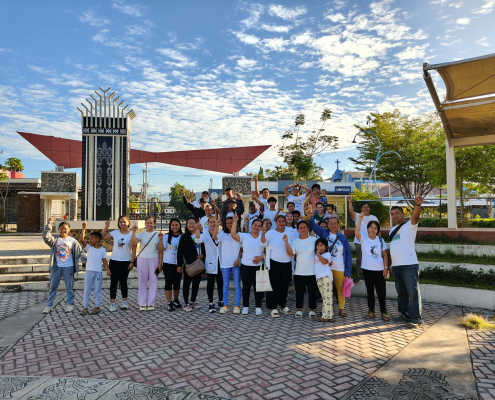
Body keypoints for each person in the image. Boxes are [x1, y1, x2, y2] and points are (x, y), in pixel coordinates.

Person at [308, 208, 352, 317]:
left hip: (339, 267)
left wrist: (348, 270)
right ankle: (327, 309)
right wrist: (309, 215)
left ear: (338, 225)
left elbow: (348, 254)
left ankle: (341, 308)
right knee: (326, 288)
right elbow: (313, 225)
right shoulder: (324, 233)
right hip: (326, 266)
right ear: (327, 225)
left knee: (340, 288)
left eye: (334, 223)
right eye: (330, 223)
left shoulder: (343, 238)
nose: (332, 225)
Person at [390, 191, 424, 329]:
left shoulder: (410, 225)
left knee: (413, 292)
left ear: (403, 214)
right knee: (401, 293)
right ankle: (404, 314)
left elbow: (415, 216)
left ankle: (416, 318)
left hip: (409, 264)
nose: (394, 216)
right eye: (392, 214)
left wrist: (417, 205)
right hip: (396, 265)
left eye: (397, 213)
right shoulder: (392, 230)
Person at [42, 217, 84, 314]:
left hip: (68, 267)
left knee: (69, 287)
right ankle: (49, 305)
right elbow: (46, 236)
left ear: (69, 229)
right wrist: (49, 224)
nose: (63, 230)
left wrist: (85, 260)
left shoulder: (73, 241)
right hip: (56, 267)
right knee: (53, 287)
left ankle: (70, 305)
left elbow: (80, 252)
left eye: (65, 228)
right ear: (58, 229)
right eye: (61, 228)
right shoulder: (55, 241)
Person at [355, 214, 389, 321]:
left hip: (379, 270)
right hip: (367, 270)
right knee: (370, 291)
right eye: (371, 227)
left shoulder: (380, 240)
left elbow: (385, 254)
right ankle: (371, 311)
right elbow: (356, 233)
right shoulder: (363, 238)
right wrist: (360, 220)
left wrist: (386, 267)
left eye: (375, 228)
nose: (373, 230)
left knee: (381, 292)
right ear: (368, 229)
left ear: (378, 230)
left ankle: (384, 312)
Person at [231, 214, 265, 315]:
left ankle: (258, 306)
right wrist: (235, 221)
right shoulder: (244, 236)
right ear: (251, 226)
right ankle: (245, 306)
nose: (256, 227)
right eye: (255, 225)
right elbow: (233, 234)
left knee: (258, 288)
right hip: (246, 266)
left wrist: (261, 257)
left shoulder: (263, 237)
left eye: (259, 226)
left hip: (258, 266)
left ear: (261, 228)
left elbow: (268, 251)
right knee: (246, 287)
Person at [261, 214, 294, 318]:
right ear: (275, 222)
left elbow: (292, 250)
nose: (281, 223)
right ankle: (273, 307)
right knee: (274, 285)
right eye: (279, 221)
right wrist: (263, 233)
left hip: (286, 263)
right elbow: (263, 244)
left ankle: (283, 305)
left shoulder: (290, 234)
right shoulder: (270, 233)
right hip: (274, 262)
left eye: (283, 221)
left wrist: (286, 242)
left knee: (284, 285)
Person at [101, 216, 135, 312]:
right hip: (114, 261)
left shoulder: (132, 234)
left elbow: (133, 249)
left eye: (124, 222)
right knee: (113, 283)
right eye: (121, 222)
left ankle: (125, 302)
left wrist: (132, 262)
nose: (122, 223)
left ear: (128, 223)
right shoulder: (115, 233)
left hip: (126, 261)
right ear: (118, 223)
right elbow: (102, 237)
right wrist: (106, 227)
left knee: (123, 282)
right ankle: (112, 304)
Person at [285, 220, 317, 318]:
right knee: (299, 292)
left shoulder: (314, 240)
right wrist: (286, 242)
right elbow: (291, 253)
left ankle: (312, 310)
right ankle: (299, 310)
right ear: (298, 230)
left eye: (304, 227)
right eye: (300, 228)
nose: (303, 229)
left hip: (312, 271)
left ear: (308, 228)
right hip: (299, 271)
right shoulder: (295, 242)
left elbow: (319, 252)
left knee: (312, 292)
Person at [131, 217, 162, 311]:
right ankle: (142, 303)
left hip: (154, 259)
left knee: (153, 281)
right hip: (142, 259)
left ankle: (151, 303)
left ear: (154, 224)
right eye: (147, 223)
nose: (149, 225)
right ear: (145, 224)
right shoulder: (141, 234)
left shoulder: (158, 234)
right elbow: (133, 243)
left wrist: (160, 263)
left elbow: (161, 250)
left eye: (151, 223)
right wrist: (133, 231)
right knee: (142, 281)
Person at [79, 221, 110, 315]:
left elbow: (104, 261)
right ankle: (85, 307)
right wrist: (83, 229)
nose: (89, 240)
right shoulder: (89, 248)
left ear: (97, 239)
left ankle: (97, 306)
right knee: (87, 290)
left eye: (91, 239)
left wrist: (108, 269)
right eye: (89, 239)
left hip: (98, 272)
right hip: (89, 272)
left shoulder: (102, 250)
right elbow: (81, 240)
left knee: (97, 290)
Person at [347, 195, 378, 283]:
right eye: (364, 207)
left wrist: (378, 239)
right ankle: (357, 275)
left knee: (371, 257)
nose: (365, 209)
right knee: (359, 258)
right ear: (361, 209)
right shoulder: (358, 216)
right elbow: (351, 211)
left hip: (371, 241)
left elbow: (378, 230)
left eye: (367, 207)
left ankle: (370, 274)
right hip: (359, 241)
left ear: (369, 208)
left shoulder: (374, 217)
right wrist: (350, 202)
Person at [196, 216, 224, 312]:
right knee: (211, 283)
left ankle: (221, 301)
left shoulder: (221, 233)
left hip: (220, 261)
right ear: (208, 224)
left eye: (214, 222)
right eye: (210, 222)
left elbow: (216, 239)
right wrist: (197, 229)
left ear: (217, 222)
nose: (212, 224)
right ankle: (211, 303)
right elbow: (197, 240)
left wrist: (217, 227)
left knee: (220, 282)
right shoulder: (205, 234)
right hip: (211, 261)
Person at [177, 217, 204, 312]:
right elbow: (180, 252)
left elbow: (205, 248)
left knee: (196, 284)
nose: (191, 225)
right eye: (189, 223)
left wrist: (203, 256)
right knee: (186, 284)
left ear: (196, 224)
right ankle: (185, 303)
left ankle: (193, 301)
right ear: (186, 225)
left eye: (193, 223)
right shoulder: (184, 237)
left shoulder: (201, 235)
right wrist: (179, 265)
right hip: (188, 265)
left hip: (199, 263)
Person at [216, 217, 242, 314]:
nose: (229, 225)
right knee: (225, 284)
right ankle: (225, 305)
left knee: (237, 284)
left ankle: (237, 305)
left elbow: (242, 249)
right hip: (225, 263)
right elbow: (214, 237)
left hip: (236, 263)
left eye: (231, 223)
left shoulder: (239, 235)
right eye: (227, 223)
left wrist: (238, 259)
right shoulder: (222, 234)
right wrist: (216, 225)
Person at [160, 218, 183, 312]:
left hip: (179, 263)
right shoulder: (166, 236)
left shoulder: (182, 236)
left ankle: (176, 300)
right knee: (168, 282)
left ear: (180, 226)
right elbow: (161, 249)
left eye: (176, 225)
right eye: (173, 225)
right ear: (170, 226)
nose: (175, 227)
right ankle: (169, 302)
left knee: (177, 282)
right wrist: (160, 239)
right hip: (168, 263)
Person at [313, 238, 334, 322]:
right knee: (324, 296)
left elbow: (324, 262)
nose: (319, 247)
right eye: (318, 245)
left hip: (326, 277)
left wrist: (318, 255)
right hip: (319, 278)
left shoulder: (327, 254)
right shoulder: (314, 256)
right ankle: (330, 313)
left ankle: (326, 316)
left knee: (327, 297)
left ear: (326, 247)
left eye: (322, 245)